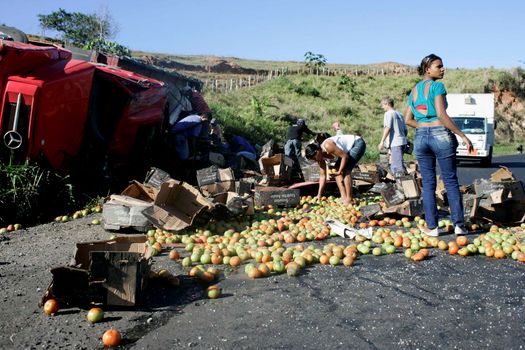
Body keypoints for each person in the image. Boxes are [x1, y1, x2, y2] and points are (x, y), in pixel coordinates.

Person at [405, 54, 473, 237]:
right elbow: (442, 116)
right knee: (450, 181)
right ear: (428, 69)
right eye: (439, 66)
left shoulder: (414, 90)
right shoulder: (437, 86)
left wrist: (424, 127)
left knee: (428, 184)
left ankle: (432, 227)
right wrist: (463, 135)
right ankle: (459, 225)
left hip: (420, 138)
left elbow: (408, 120)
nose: (443, 69)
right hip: (440, 135)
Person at [305, 134, 366, 205]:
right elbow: (322, 176)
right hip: (347, 151)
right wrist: (319, 194)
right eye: (313, 159)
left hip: (357, 143)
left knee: (346, 170)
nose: (315, 160)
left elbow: (344, 156)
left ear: (317, 151)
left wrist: (340, 171)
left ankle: (349, 199)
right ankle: (343, 197)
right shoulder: (320, 159)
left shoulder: (327, 146)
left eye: (315, 157)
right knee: (336, 169)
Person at [377, 96, 408, 176]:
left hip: (395, 143)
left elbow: (387, 127)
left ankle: (402, 186)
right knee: (399, 163)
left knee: (397, 169)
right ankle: (406, 182)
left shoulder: (388, 113)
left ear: (387, 104)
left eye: (383, 105)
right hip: (402, 142)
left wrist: (382, 141)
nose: (382, 107)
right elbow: (405, 130)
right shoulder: (400, 114)